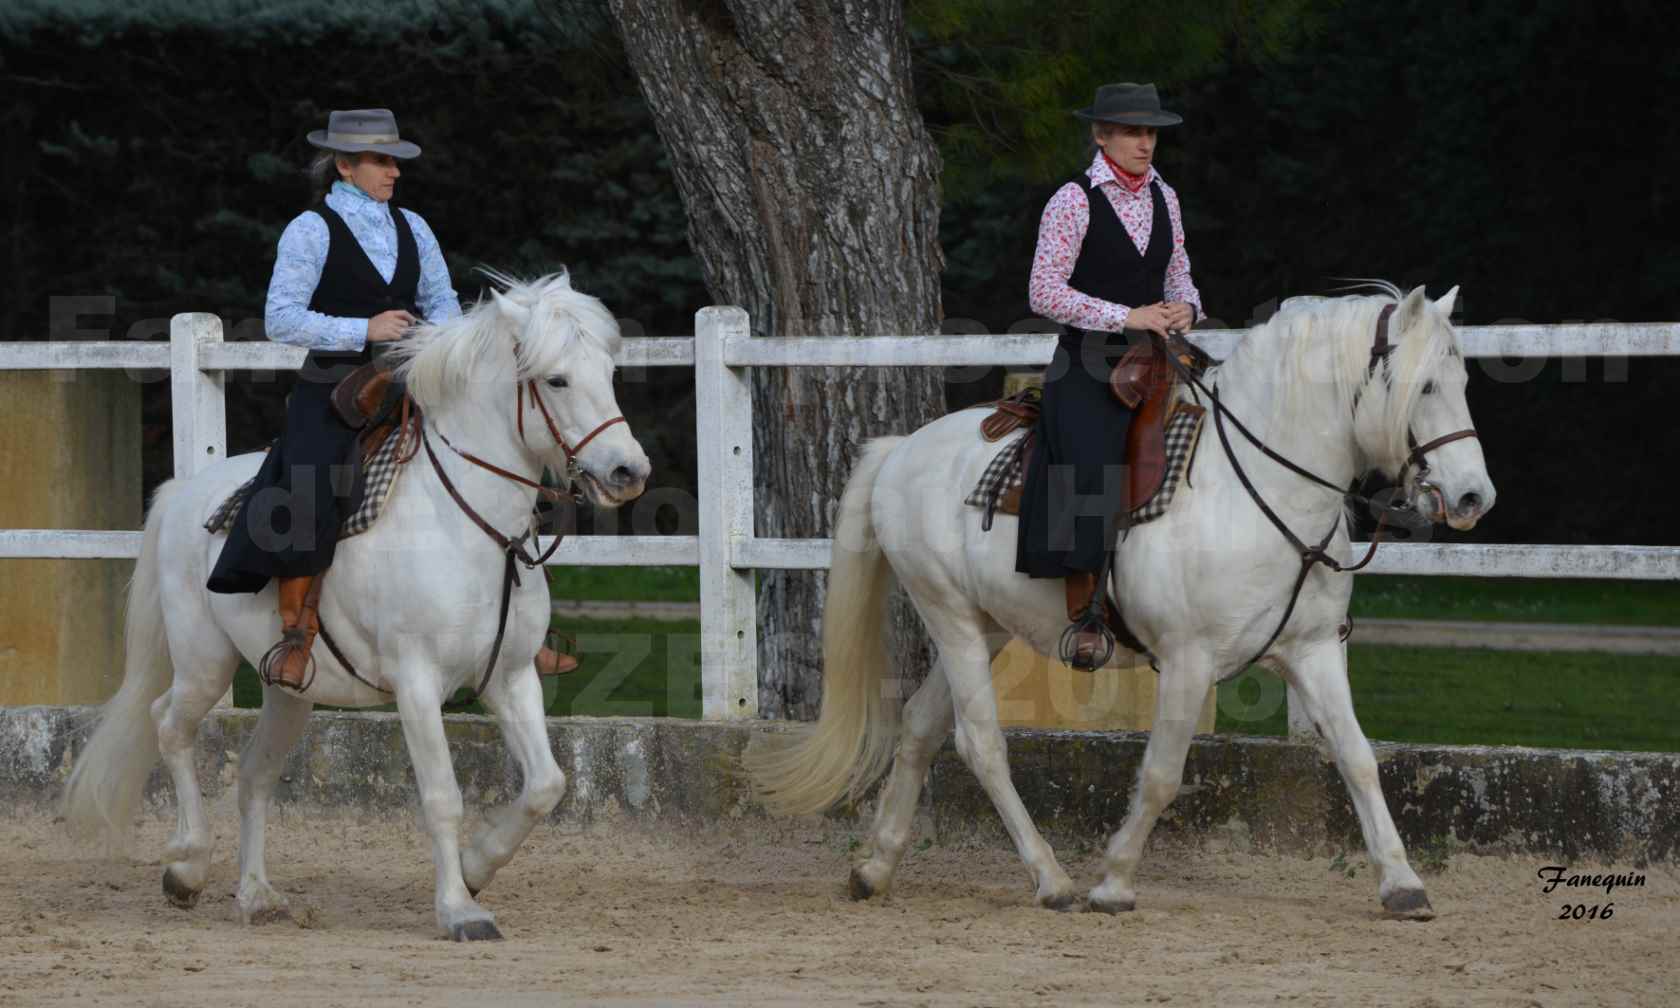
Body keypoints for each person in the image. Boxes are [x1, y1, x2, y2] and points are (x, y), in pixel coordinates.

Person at [208, 108, 577, 690]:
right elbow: (280, 318)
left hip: (414, 379)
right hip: (333, 390)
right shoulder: (310, 230)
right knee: (313, 480)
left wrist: (451, 349)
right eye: (381, 162)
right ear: (346, 166)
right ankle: (297, 634)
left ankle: (519, 632)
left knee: (506, 464)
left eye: (396, 162)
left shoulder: (414, 228)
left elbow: (444, 306)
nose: (394, 173)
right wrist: (364, 329)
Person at [1017, 82, 1204, 669]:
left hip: (1155, 357)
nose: (1144, 143)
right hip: (1088, 363)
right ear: (1102, 135)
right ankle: (1089, 606)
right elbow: (1043, 290)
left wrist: (1185, 309)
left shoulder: (1165, 198)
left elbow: (1180, 277)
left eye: (1150, 132)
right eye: (1131, 131)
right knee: (1093, 461)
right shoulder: (1071, 200)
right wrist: (1125, 314)